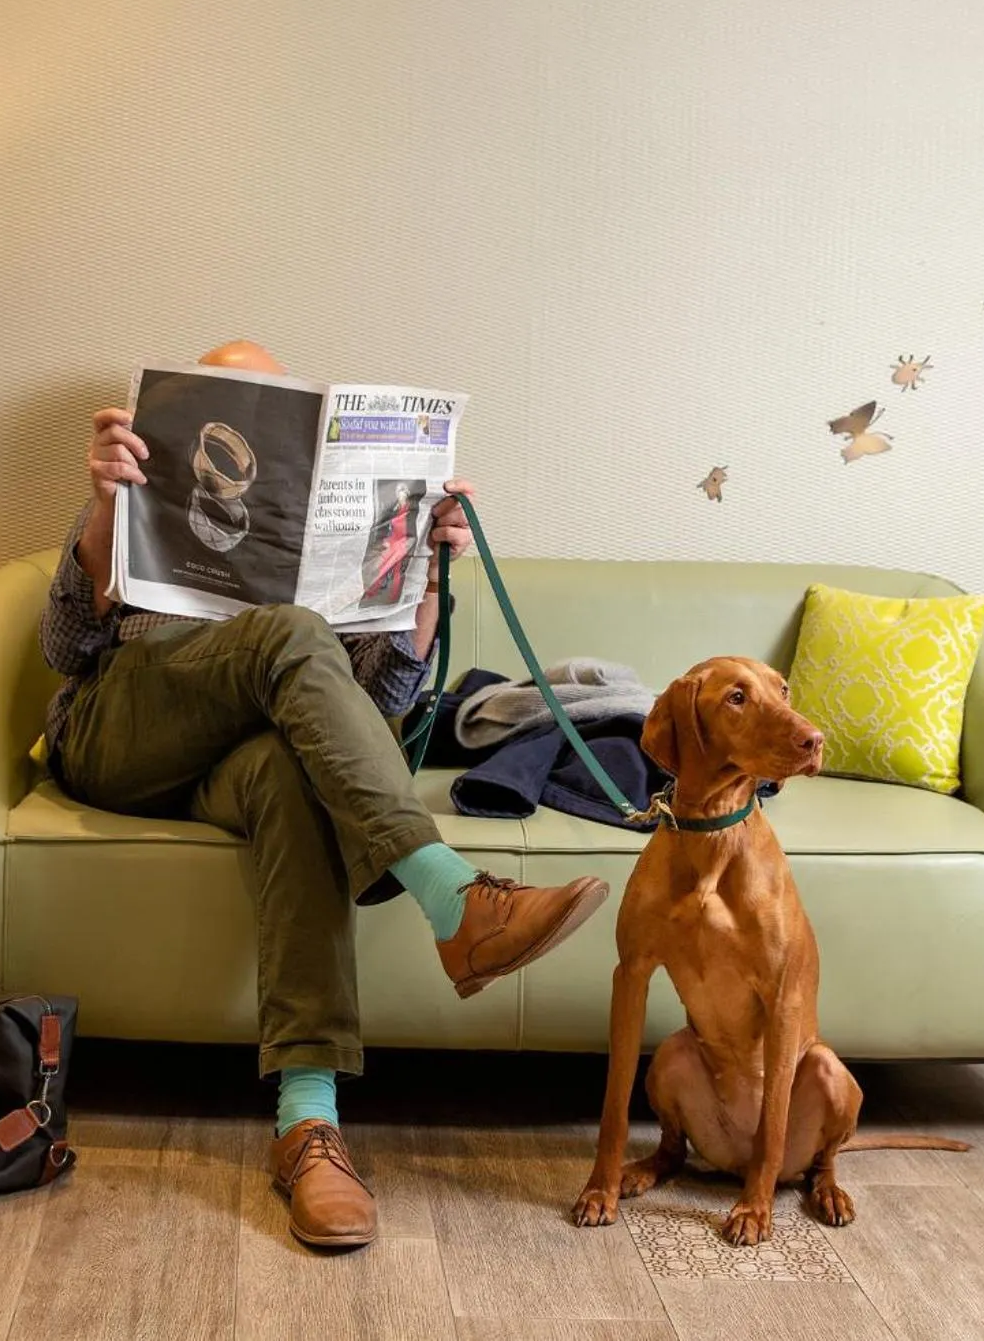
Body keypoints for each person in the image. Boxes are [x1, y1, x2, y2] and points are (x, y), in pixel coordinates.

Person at [40, 339, 611, 1250]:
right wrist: (106, 502)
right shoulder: (133, 493)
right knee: (290, 634)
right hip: (121, 731)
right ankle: (451, 897)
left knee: (292, 769)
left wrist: (427, 580)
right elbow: (65, 647)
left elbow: (376, 705)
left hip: (240, 756)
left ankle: (307, 1125)